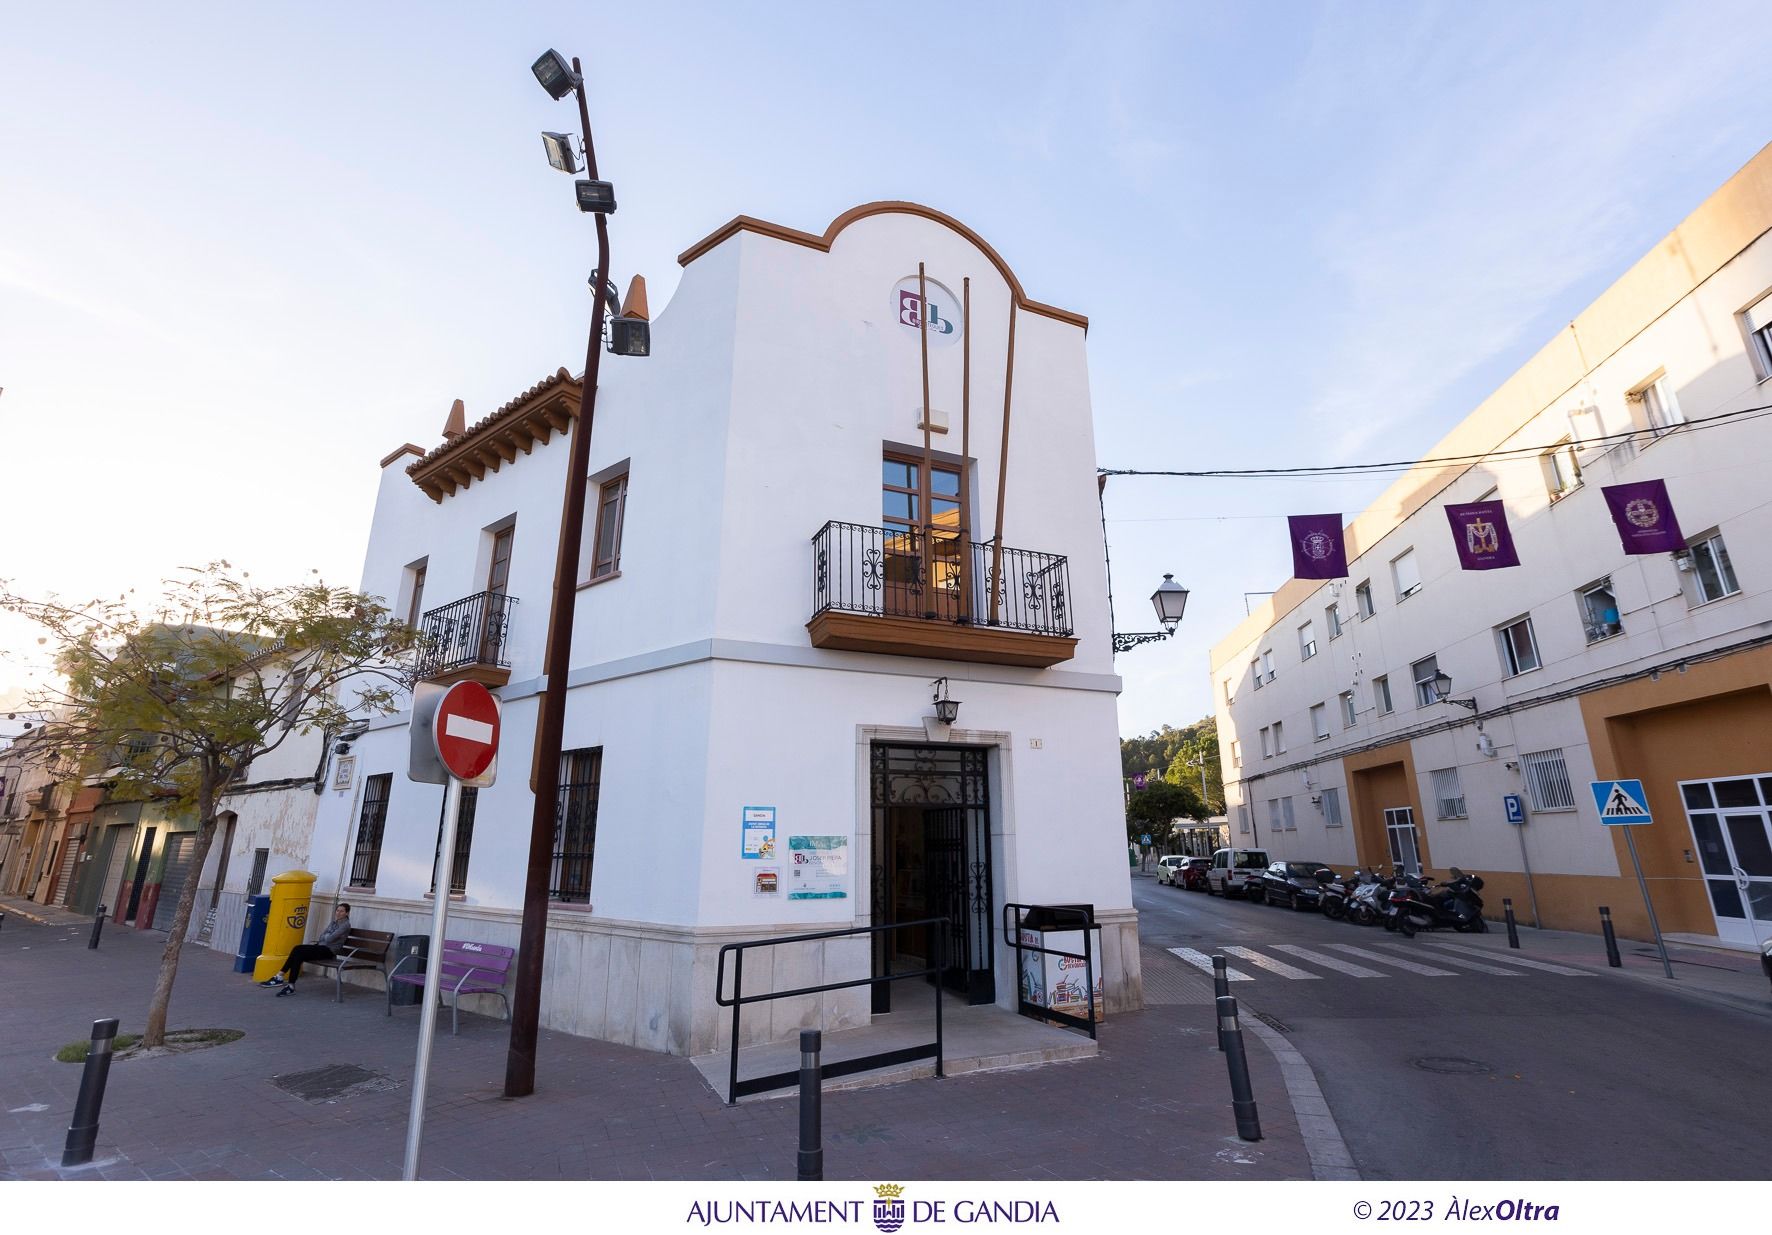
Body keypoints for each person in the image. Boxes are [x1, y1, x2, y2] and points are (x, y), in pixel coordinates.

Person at [260, 903, 351, 997]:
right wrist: (327, 936)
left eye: (342, 911)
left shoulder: (345, 925)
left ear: (347, 913)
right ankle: (286, 981)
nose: (338, 913)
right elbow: (321, 937)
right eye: (337, 910)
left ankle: (283, 980)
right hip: (321, 947)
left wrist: (327, 936)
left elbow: (329, 939)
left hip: (329, 951)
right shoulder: (333, 922)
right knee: (297, 950)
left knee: (298, 951)